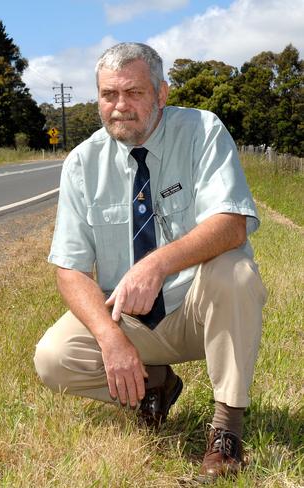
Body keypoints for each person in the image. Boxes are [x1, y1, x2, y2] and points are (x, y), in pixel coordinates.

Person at [34, 42, 267, 482]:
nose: (119, 107)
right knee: (53, 357)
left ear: (161, 93)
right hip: (133, 320)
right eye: (108, 95)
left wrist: (155, 265)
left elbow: (232, 223)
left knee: (234, 271)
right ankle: (154, 380)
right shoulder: (82, 163)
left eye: (134, 93)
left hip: (201, 311)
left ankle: (226, 432)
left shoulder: (203, 131)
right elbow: (70, 268)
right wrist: (109, 338)